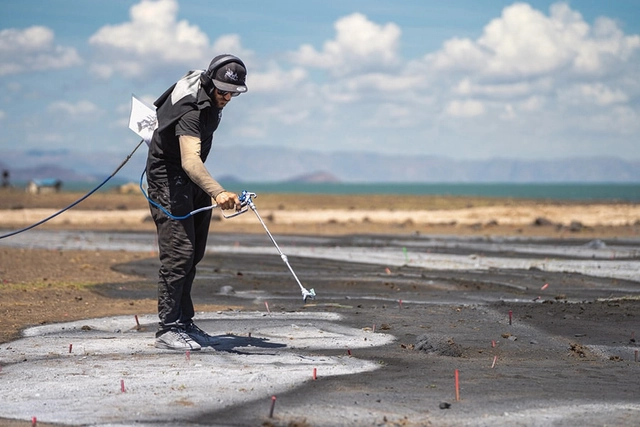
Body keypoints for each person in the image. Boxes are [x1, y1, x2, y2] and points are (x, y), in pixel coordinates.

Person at [145, 54, 247, 351]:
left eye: (233, 93)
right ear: (209, 81)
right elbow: (190, 161)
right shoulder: (190, 109)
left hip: (192, 180)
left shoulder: (211, 96)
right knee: (179, 253)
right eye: (222, 91)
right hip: (169, 180)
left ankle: (184, 321)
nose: (227, 97)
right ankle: (168, 328)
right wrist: (218, 192)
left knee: (194, 252)